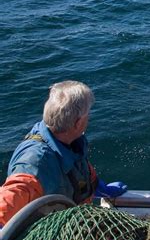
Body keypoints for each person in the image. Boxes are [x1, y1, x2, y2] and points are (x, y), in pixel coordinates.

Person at [0, 81, 127, 227]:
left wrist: (98, 187)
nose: (89, 118)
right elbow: (9, 200)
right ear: (78, 123)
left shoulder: (69, 141)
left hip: (77, 221)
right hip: (53, 235)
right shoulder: (35, 162)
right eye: (88, 114)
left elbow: (78, 171)